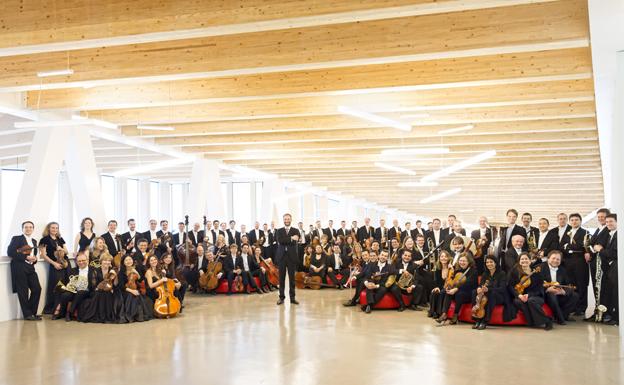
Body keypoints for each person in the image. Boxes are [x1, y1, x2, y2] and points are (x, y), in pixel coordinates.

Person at [508, 252, 553, 330]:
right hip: (520, 296)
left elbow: (540, 289)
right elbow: (510, 286)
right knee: (518, 301)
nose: (524, 260)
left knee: (531, 301)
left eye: (526, 259)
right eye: (522, 259)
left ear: (530, 261)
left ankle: (547, 321)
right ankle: (532, 322)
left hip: (536, 296)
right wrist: (519, 295)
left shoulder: (536, 272)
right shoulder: (514, 271)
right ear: (519, 261)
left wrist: (529, 295)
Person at [7, 221, 42, 321]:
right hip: (19, 267)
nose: (28, 229)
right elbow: (10, 252)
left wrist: (35, 259)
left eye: (30, 227)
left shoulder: (34, 241)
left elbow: (34, 255)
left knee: (37, 289)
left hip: (30, 268)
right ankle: (27, 315)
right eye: (26, 227)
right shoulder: (17, 238)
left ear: (33, 229)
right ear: (22, 228)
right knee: (23, 291)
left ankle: (32, 313)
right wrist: (26, 257)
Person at [539, 250, 579, 325]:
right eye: (553, 258)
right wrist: (547, 289)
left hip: (559, 293)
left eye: (558, 259)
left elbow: (568, 284)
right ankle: (561, 319)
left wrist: (563, 292)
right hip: (546, 294)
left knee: (575, 296)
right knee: (552, 295)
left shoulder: (563, 270)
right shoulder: (540, 268)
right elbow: (536, 284)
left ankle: (561, 316)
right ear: (548, 258)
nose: (555, 261)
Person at [436, 254, 477, 325]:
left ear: (469, 261)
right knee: (448, 292)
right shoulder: (458, 269)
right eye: (460, 260)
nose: (462, 262)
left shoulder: (473, 271)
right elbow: (453, 280)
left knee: (459, 294)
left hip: (468, 293)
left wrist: (456, 289)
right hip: (457, 290)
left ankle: (455, 315)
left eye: (464, 261)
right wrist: (449, 286)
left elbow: (468, 284)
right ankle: (444, 314)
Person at [38, 222, 70, 314]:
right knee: (56, 287)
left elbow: (67, 252)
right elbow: (43, 255)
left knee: (66, 285)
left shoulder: (60, 238)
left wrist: (62, 249)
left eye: (56, 228)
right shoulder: (44, 239)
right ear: (48, 229)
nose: (54, 229)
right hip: (55, 265)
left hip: (65, 263)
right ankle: (54, 308)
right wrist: (54, 264)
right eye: (52, 228)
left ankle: (63, 308)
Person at [53, 252, 94, 321]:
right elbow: (69, 281)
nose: (81, 262)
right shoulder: (73, 270)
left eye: (83, 260)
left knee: (80, 293)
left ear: (87, 260)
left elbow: (95, 282)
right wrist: (68, 286)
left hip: (86, 291)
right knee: (65, 295)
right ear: (76, 262)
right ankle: (61, 313)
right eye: (79, 261)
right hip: (74, 290)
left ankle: (69, 312)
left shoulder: (93, 270)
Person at [77, 254, 118, 323]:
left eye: (109, 261)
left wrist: (116, 276)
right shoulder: (95, 270)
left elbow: (115, 284)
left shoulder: (112, 271)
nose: (107, 262)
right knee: (100, 294)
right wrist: (101, 288)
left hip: (110, 290)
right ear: (101, 261)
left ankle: (108, 316)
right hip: (97, 290)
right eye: (105, 260)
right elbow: (94, 285)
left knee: (108, 293)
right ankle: (101, 316)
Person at [593, 213, 618, 325]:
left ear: (617, 222)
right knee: (610, 292)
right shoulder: (610, 234)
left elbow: (614, 253)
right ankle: (611, 316)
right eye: (607, 222)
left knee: (615, 292)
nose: (608, 224)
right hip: (610, 267)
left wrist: (600, 250)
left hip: (616, 267)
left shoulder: (618, 234)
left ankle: (616, 318)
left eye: (611, 221)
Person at [471, 255, 507, 330]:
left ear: (496, 263)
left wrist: (488, 289)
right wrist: (479, 288)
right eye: (487, 262)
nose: (489, 264)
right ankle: (477, 319)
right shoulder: (485, 274)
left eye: (491, 262)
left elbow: (502, 289)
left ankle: (484, 321)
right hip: (487, 295)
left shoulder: (502, 273)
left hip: (499, 296)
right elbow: (480, 285)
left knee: (491, 295)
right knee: (474, 292)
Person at [118, 254, 153, 323]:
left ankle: (137, 315)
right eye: (126, 260)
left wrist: (137, 273)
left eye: (130, 259)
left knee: (139, 296)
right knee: (132, 295)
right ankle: (130, 316)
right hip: (124, 291)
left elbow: (140, 281)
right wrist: (132, 291)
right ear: (123, 262)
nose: (128, 261)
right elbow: (121, 286)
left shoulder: (136, 269)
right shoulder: (121, 272)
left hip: (134, 289)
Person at [276, 213, 300, 305]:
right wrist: (290, 238)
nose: (287, 220)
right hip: (281, 257)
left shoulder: (296, 230)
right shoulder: (279, 230)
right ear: (283, 220)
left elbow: (296, 239)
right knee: (281, 279)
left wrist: (287, 239)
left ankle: (292, 298)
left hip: (291, 257)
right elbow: (280, 241)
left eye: (288, 219)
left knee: (292, 279)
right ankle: (281, 298)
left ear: (291, 219)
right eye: (285, 219)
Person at [429, 251, 452, 319]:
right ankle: (433, 311)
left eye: (445, 256)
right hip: (440, 286)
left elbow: (452, 280)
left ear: (448, 258)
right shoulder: (438, 268)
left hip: (448, 287)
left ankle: (439, 313)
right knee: (434, 292)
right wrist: (437, 287)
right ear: (439, 258)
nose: (443, 258)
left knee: (442, 292)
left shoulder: (451, 268)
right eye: (442, 256)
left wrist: (452, 269)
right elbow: (436, 281)